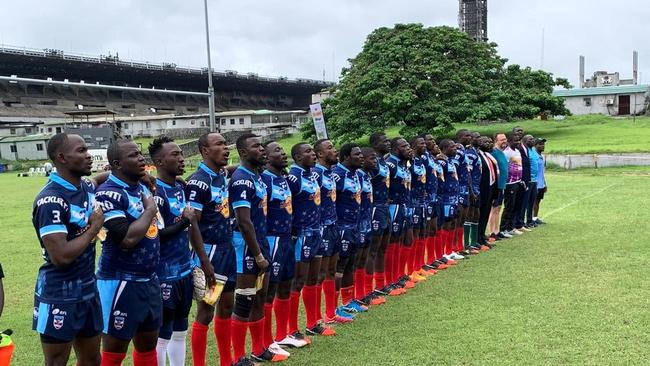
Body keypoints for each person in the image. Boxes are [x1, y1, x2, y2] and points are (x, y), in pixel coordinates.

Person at [31, 133, 105, 366]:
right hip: (59, 294)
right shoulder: (51, 200)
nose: (89, 155)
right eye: (81, 150)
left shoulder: (84, 186)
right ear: (62, 157)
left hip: (88, 290)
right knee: (56, 362)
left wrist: (141, 177)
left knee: (92, 359)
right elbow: (61, 257)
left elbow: (100, 178)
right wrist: (94, 228)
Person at [95, 139, 162, 366]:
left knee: (147, 347)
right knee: (114, 352)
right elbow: (127, 239)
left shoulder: (141, 187)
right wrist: (151, 209)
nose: (141, 158)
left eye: (140, 153)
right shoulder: (108, 194)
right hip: (121, 281)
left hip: (149, 280)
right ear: (117, 163)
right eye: (133, 155)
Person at [148, 136, 210, 366]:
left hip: (184, 270)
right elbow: (157, 235)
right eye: (175, 155)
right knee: (163, 333)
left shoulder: (181, 187)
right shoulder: (156, 194)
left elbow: (192, 226)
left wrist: (202, 260)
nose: (181, 158)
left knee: (180, 328)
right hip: (165, 273)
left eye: (181, 154)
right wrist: (185, 221)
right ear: (159, 162)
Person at [228, 134, 285, 364]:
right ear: (243, 153)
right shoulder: (242, 179)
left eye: (262, 146)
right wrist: (258, 254)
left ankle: (259, 348)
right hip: (246, 247)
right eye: (256, 147)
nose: (262, 150)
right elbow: (243, 221)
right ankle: (238, 356)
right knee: (244, 300)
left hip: (261, 241)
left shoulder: (257, 177)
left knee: (260, 297)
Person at [185, 132, 233, 366]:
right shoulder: (198, 181)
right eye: (220, 145)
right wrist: (204, 261)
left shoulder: (221, 174)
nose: (226, 148)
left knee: (227, 306)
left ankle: (227, 361)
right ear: (205, 150)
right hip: (210, 253)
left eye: (226, 143)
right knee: (206, 311)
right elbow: (193, 223)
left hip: (228, 249)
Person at [260, 141, 304, 357]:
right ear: (266, 157)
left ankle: (282, 334)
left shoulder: (284, 178)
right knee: (269, 292)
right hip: (272, 240)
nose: (282, 153)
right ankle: (267, 341)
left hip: (287, 239)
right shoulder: (264, 180)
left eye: (282, 149)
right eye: (276, 150)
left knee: (286, 285)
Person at [286, 143, 333, 339]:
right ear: (297, 157)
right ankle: (291, 329)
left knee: (314, 278)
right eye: (308, 152)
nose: (313, 154)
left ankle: (313, 323)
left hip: (317, 231)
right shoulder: (293, 178)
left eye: (313, 152)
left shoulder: (312, 175)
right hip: (301, 234)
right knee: (297, 281)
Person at [313, 139, 350, 324]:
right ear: (319, 154)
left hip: (334, 226)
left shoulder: (331, 173)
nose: (335, 151)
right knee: (319, 274)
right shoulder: (316, 174)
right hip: (321, 229)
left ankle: (331, 312)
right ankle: (317, 318)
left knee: (331, 270)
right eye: (330, 148)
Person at [331, 143, 367, 318]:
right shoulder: (337, 176)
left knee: (350, 264)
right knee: (339, 266)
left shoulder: (356, 175)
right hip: (341, 227)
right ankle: (334, 307)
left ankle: (348, 301)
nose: (361, 157)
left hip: (354, 226)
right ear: (346, 157)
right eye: (357, 154)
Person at [385, 137, 414, 295]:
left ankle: (398, 276)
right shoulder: (390, 164)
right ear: (396, 149)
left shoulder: (404, 164)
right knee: (392, 243)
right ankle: (389, 280)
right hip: (393, 208)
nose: (409, 148)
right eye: (405, 146)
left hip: (405, 206)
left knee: (404, 240)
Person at [355, 147, 382, 306]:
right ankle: (359, 294)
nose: (375, 161)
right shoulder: (356, 175)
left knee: (365, 256)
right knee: (358, 259)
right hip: (355, 224)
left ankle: (366, 292)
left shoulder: (367, 174)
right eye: (372, 158)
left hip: (366, 221)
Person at [367, 132, 392, 299]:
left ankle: (381, 283)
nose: (388, 143)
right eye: (385, 141)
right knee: (373, 249)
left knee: (383, 247)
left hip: (385, 206)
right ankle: (369, 290)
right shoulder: (372, 163)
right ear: (376, 144)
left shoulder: (383, 161)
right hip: (375, 208)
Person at [407, 136, 432, 282]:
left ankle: (418, 266)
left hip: (422, 202)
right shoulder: (410, 162)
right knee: (414, 235)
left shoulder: (422, 160)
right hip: (412, 203)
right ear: (414, 145)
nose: (425, 145)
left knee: (422, 233)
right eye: (421, 143)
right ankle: (411, 270)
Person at [422, 135, 447, 271]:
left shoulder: (431, 158)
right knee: (427, 230)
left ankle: (434, 257)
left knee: (435, 228)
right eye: (430, 140)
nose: (433, 142)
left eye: (433, 140)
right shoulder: (422, 158)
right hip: (426, 200)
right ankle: (426, 261)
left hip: (436, 197)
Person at [437, 139, 460, 266]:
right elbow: (441, 180)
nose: (455, 149)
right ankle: (443, 252)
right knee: (446, 224)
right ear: (445, 148)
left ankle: (450, 250)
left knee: (452, 223)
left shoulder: (450, 161)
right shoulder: (442, 162)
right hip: (446, 199)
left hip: (453, 198)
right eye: (452, 147)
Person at [452, 130, 473, 260]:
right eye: (467, 136)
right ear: (459, 137)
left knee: (462, 220)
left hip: (465, 189)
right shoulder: (458, 152)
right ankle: (453, 248)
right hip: (458, 190)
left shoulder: (464, 151)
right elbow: (453, 171)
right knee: (457, 219)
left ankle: (460, 247)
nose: (469, 138)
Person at [475, 137, 498, 250]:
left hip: (489, 189)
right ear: (479, 144)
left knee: (485, 214)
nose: (489, 144)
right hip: (481, 189)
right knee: (480, 215)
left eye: (490, 142)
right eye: (485, 142)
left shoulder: (488, 156)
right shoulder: (478, 156)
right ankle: (477, 238)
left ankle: (482, 237)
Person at [488, 133, 511, 241]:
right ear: (496, 140)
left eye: (505, 139)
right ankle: (492, 231)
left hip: (502, 185)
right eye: (501, 139)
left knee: (498, 208)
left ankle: (497, 230)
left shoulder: (502, 153)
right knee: (494, 209)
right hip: (496, 186)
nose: (504, 141)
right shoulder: (493, 152)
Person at [500, 133, 524, 236]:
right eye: (515, 140)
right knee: (509, 206)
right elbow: (504, 167)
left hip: (517, 181)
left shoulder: (517, 151)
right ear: (509, 142)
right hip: (509, 183)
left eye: (518, 140)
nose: (517, 142)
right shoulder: (506, 152)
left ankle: (511, 227)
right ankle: (503, 228)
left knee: (514, 206)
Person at [464, 132, 483, 253]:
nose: (478, 139)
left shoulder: (475, 151)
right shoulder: (469, 154)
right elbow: (468, 173)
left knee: (476, 214)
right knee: (470, 214)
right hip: (472, 189)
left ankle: (474, 241)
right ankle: (467, 244)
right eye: (476, 137)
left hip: (477, 188)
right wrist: (471, 191)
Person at [512, 127, 531, 233]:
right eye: (518, 131)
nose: (520, 133)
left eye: (521, 131)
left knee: (523, 202)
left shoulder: (524, 146)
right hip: (518, 178)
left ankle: (520, 223)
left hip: (526, 177)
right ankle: (514, 224)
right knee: (517, 201)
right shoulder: (515, 147)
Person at [523, 135, 539, 228]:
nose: (533, 140)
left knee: (532, 201)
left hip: (534, 180)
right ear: (525, 141)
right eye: (530, 139)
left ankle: (530, 220)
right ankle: (522, 221)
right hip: (528, 179)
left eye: (533, 139)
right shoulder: (526, 151)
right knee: (526, 201)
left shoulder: (533, 150)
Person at [533, 138, 547, 225]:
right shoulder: (534, 156)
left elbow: (542, 172)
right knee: (533, 202)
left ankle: (535, 218)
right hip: (535, 183)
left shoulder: (541, 156)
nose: (542, 146)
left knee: (538, 201)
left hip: (541, 183)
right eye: (540, 144)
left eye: (543, 144)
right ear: (535, 145)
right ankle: (530, 219)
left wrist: (545, 183)